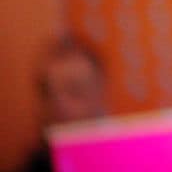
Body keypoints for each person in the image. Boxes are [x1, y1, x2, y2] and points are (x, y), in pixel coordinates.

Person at [12, 34, 108, 172]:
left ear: (99, 92)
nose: (59, 104)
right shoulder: (33, 164)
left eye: (74, 90)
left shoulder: (127, 158)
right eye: (46, 92)